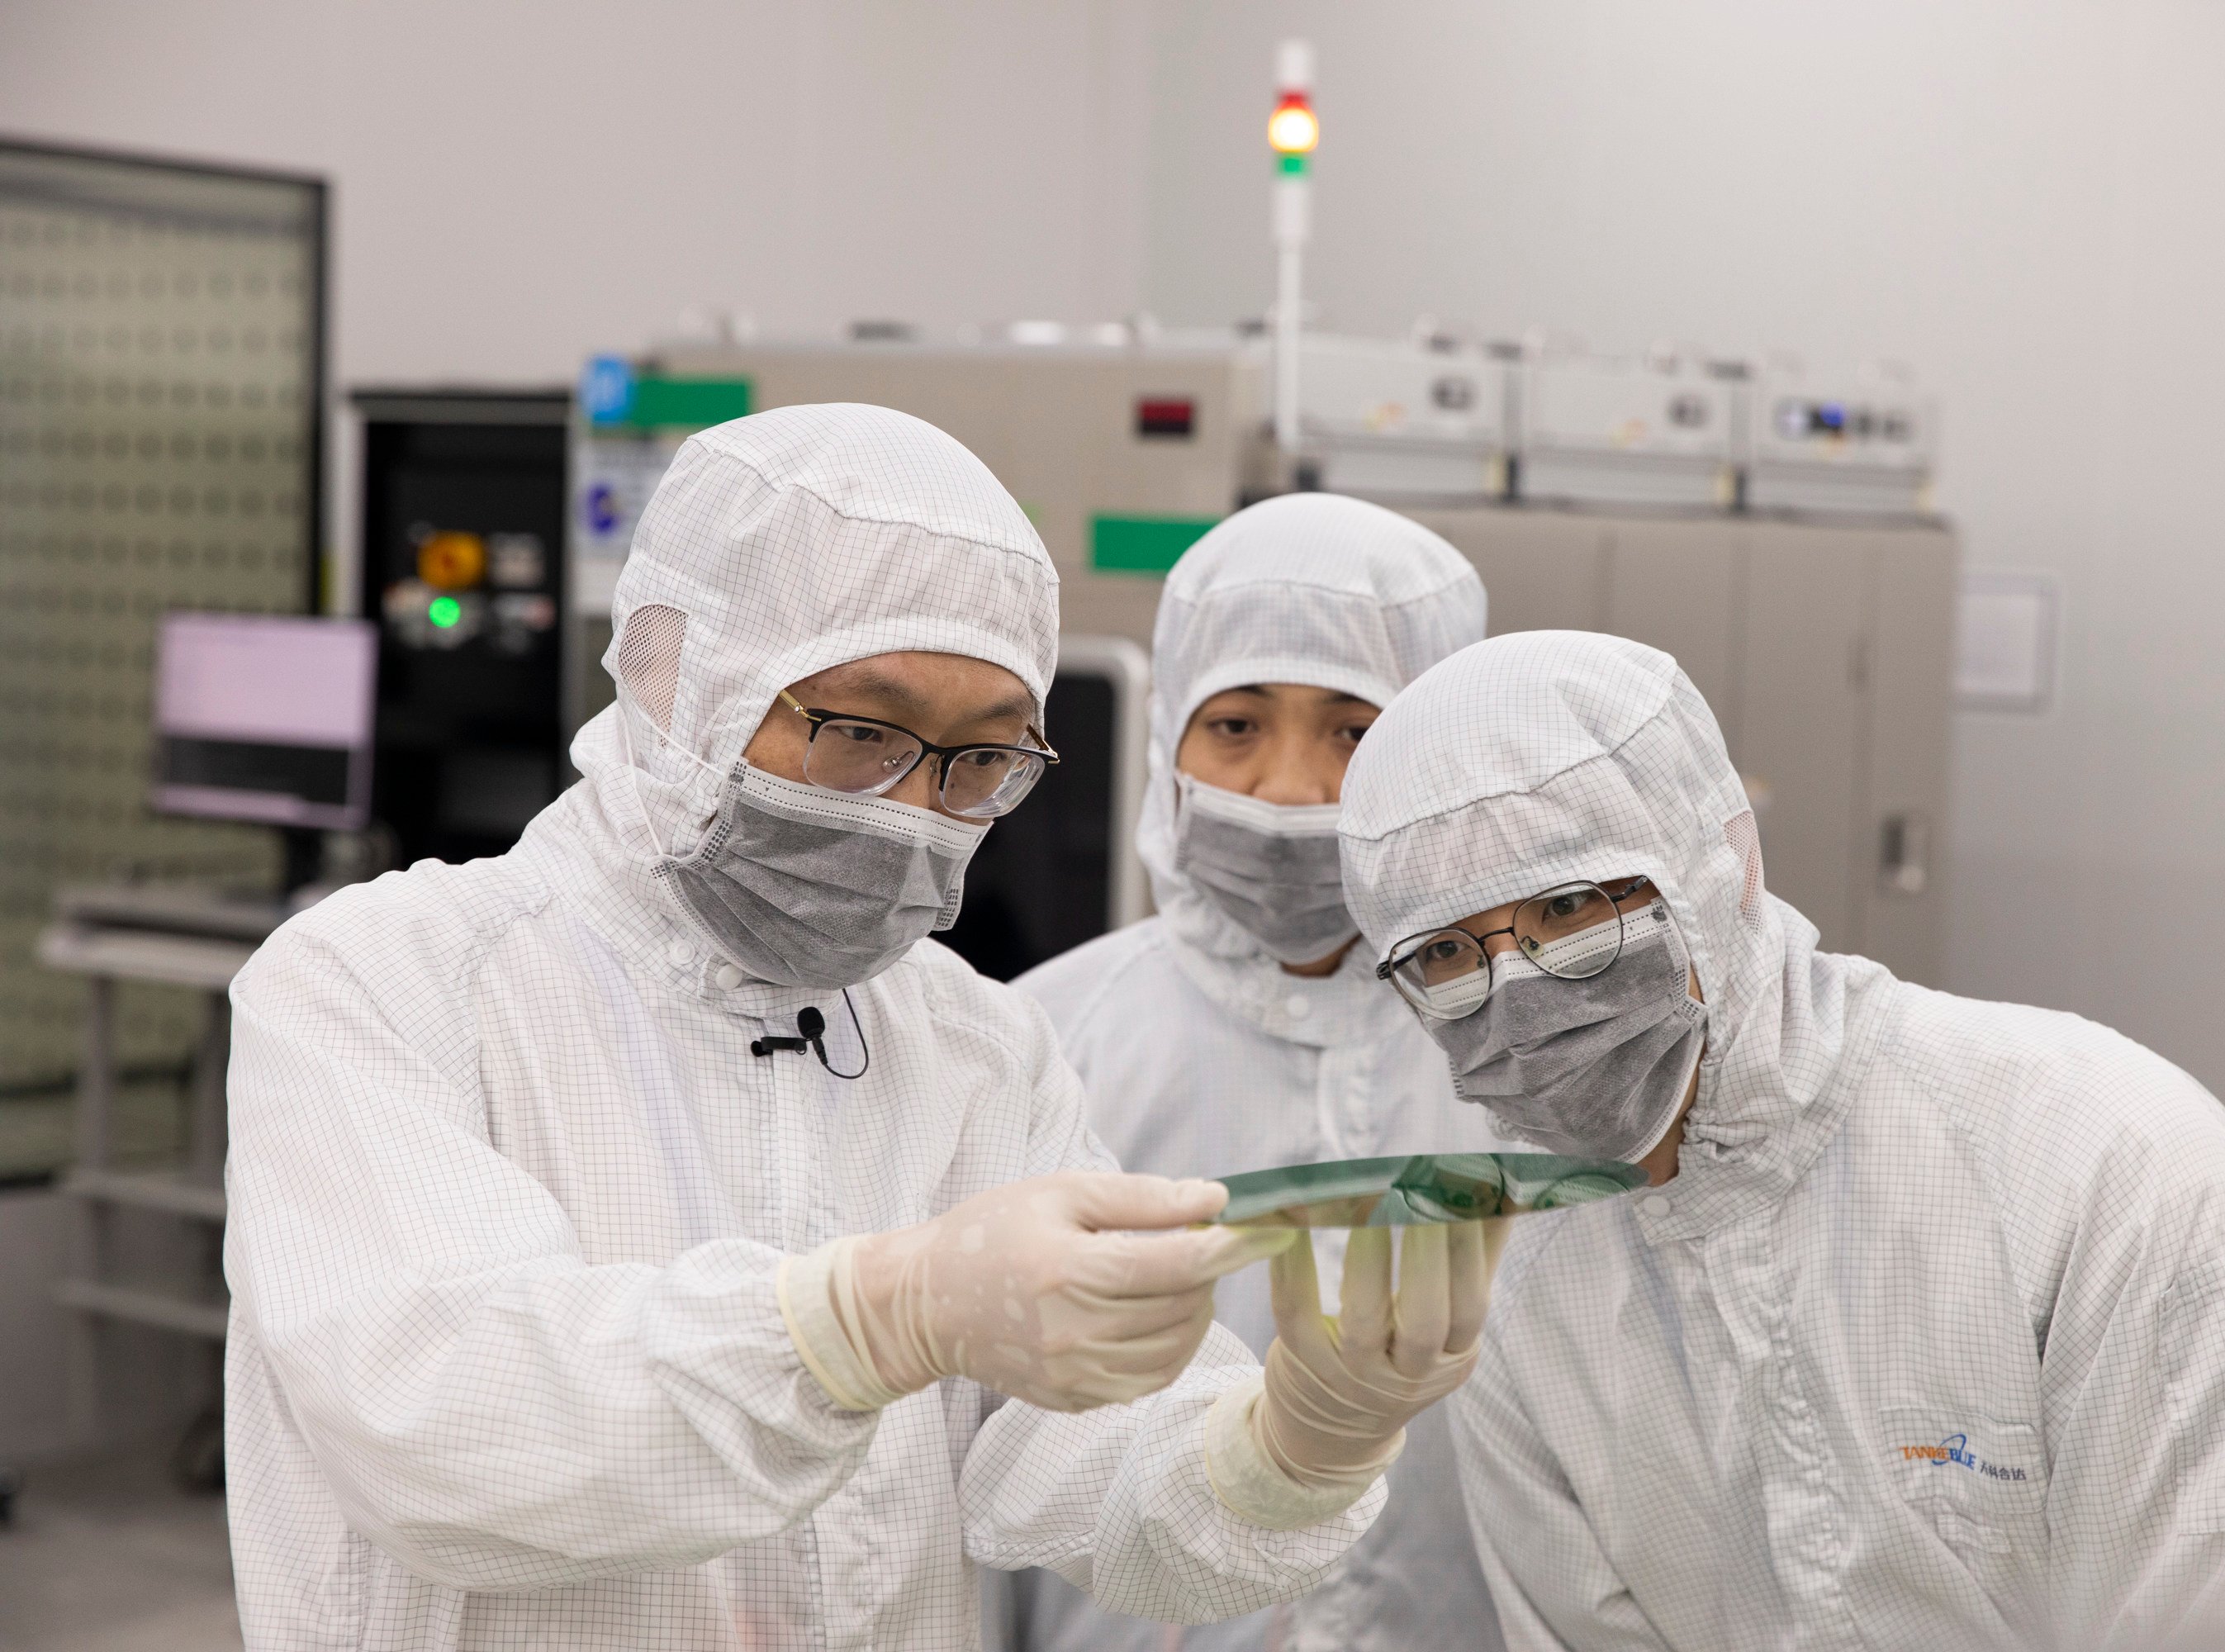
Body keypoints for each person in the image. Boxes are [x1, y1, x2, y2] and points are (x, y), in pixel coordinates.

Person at [221, 405, 1497, 1651]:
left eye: (979, 759)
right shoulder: (386, 983)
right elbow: (447, 1428)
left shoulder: (977, 1048)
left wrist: (1283, 1448)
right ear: (681, 680)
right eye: (861, 732)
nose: (915, 809)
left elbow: (1074, 1467)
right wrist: (874, 1319)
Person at [1332, 629, 2225, 1650]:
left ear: (1727, 862)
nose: (1518, 990)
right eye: (1444, 955)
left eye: (1570, 904)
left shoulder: (2098, 1163)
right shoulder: (1521, 1293)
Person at [1001, 493, 1511, 1652]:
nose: (1288, 788)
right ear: (1166, 742)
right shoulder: (1042, 1044)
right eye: (1235, 726)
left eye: (1354, 730)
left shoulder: (1525, 1056)